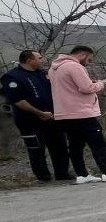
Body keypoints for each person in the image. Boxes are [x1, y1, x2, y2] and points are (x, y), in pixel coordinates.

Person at [50, 46, 106, 183]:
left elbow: (71, 87)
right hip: (81, 113)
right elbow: (87, 88)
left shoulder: (54, 68)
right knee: (98, 143)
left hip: (64, 113)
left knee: (75, 145)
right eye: (89, 59)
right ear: (83, 55)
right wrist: (100, 84)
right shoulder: (74, 66)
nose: (89, 62)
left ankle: (82, 174)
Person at [2, 50, 71, 183]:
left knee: (60, 146)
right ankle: (44, 178)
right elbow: (18, 101)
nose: (42, 60)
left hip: (52, 118)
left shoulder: (43, 74)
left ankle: (62, 175)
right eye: (39, 58)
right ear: (29, 61)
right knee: (37, 150)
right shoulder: (12, 77)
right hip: (30, 121)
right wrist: (39, 113)